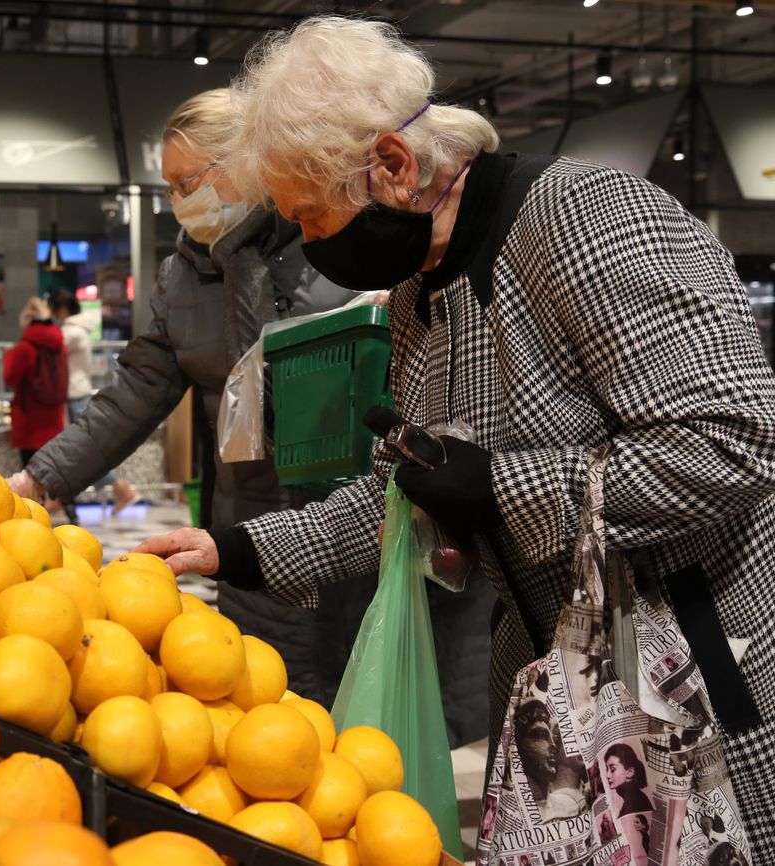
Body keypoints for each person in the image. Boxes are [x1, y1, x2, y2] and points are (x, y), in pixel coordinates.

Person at [134, 15, 774, 849]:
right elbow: (410, 487)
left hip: (696, 685)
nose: (315, 248)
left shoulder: (584, 219)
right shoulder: (418, 294)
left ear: (394, 165)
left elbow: (734, 440)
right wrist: (238, 550)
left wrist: (501, 489)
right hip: (567, 693)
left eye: (315, 220)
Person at [8, 89, 359, 708]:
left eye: (186, 182)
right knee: (263, 707)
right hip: (250, 524)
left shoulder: (332, 238)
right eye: (169, 186)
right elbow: (135, 390)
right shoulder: (184, 275)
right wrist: (41, 479)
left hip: (351, 520)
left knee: (364, 713)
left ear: (246, 164)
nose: (177, 202)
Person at [47, 288, 140, 516]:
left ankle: (120, 489)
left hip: (75, 395)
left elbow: (47, 348)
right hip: (76, 394)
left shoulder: (71, 332)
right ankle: (62, 497)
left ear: (60, 309)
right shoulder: (77, 330)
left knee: (85, 451)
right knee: (82, 450)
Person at [3, 297, 66, 468]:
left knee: (32, 484)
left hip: (30, 424)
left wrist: (10, 354)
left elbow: (10, 378)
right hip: (54, 421)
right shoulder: (59, 345)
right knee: (51, 478)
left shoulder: (24, 348)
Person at [604, 743, 652, 818]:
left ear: (630, 772)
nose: (607, 775)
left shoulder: (635, 800)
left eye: (612, 769)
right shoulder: (633, 796)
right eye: (607, 769)